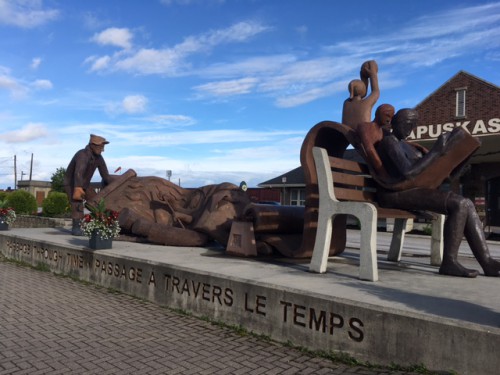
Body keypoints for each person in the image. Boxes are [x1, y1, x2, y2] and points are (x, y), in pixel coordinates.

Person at [373, 108, 500, 278]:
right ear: (397, 122)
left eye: (414, 124)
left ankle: (487, 261)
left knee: (467, 203)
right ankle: (449, 262)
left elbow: (446, 178)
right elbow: (408, 172)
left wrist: (464, 157)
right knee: (459, 203)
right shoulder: (389, 142)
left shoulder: (408, 146)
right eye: (408, 124)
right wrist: (436, 151)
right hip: (395, 192)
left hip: (412, 189)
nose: (411, 128)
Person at [64, 134, 114, 235]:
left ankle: (101, 225)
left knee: (96, 202)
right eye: (101, 147)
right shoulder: (82, 155)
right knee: (77, 203)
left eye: (103, 147)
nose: (103, 150)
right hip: (72, 183)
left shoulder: (99, 158)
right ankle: (76, 227)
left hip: (85, 183)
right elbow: (78, 173)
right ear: (92, 145)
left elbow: (105, 175)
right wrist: (78, 188)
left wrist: (115, 183)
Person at [342, 60, 380, 130]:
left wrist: (363, 78)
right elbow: (376, 91)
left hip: (347, 135)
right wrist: (373, 74)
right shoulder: (366, 103)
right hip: (362, 134)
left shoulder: (346, 103)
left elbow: (361, 94)